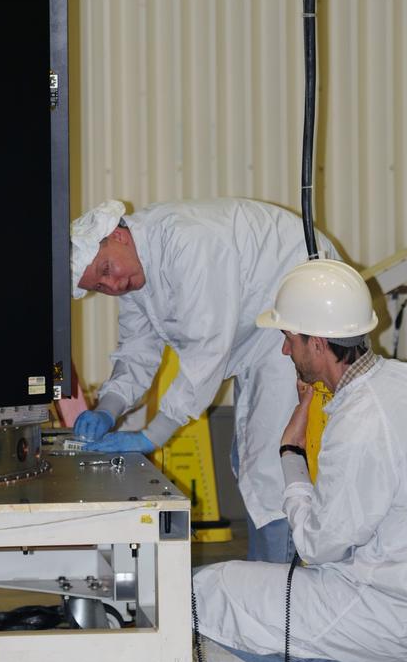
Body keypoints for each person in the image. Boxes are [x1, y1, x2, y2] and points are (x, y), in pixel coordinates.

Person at [193, 258, 407, 662]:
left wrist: (291, 454)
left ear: (318, 343)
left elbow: (317, 546)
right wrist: (314, 405)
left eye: (291, 339)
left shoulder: (362, 422)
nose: (284, 348)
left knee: (203, 592)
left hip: (386, 608)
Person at [70, 198, 338, 562]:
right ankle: (268, 580)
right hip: (259, 332)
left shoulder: (187, 242)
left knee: (272, 464)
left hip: (301, 311)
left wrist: (154, 434)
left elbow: (207, 348)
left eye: (106, 268)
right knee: (248, 458)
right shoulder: (137, 270)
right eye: (100, 286)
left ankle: (282, 593)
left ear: (118, 234)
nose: (112, 284)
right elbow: (137, 349)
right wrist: (108, 407)